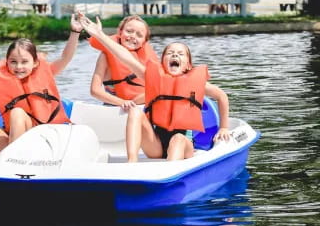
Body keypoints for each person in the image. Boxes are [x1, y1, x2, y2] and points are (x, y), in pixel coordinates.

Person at [79, 16, 230, 162]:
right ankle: (131, 162)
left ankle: (171, 170)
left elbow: (221, 96)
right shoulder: (154, 79)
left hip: (183, 146)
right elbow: (125, 57)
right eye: (170, 53)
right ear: (162, 62)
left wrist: (224, 127)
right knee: (135, 112)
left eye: (180, 54)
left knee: (177, 139)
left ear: (188, 65)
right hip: (156, 145)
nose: (175, 55)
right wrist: (99, 35)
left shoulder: (196, 84)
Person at [0, 14, 83, 158]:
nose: (19, 67)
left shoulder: (47, 71)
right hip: (17, 145)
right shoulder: (4, 83)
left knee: (17, 112)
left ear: (35, 63)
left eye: (24, 62)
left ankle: (13, 162)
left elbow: (65, 57)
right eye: (13, 62)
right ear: (7, 62)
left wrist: (75, 33)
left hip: (45, 141)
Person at [85, 13, 159, 111]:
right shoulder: (105, 56)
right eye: (129, 31)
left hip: (143, 103)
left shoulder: (149, 59)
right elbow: (95, 91)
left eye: (139, 35)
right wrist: (123, 103)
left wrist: (135, 102)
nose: (133, 36)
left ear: (144, 42)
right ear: (120, 32)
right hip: (115, 105)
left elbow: (158, 87)